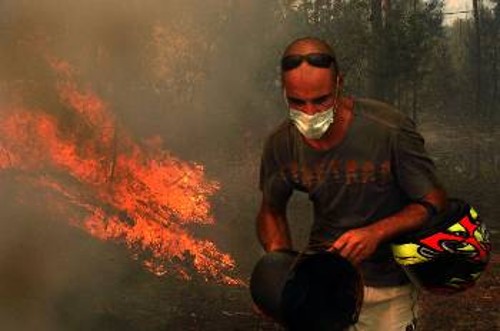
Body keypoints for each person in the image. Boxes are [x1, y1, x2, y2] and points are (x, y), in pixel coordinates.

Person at [256, 37, 448, 330]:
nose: (309, 113)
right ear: (284, 93)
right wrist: (281, 268)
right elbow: (271, 209)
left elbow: (434, 202)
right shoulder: (281, 144)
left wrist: (376, 232)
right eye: (297, 102)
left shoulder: (389, 130)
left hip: (387, 287)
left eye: (320, 100)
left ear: (339, 84)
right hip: (320, 287)